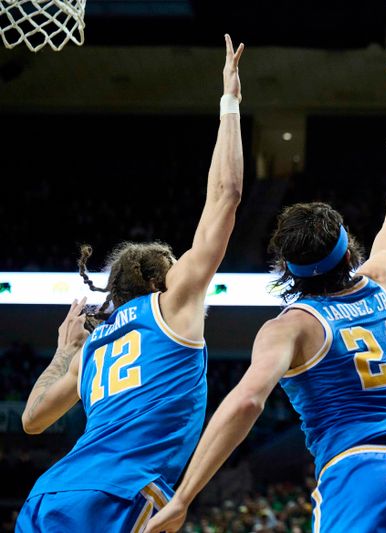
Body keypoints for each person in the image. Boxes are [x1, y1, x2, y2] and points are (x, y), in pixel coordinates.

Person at [145, 125, 386, 533]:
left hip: (360, 473)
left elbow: (247, 402)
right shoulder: (383, 281)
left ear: (287, 271)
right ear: (347, 248)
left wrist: (183, 497)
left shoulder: (292, 326)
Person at [15, 35, 246, 533]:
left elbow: (32, 419)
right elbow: (225, 195)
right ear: (165, 280)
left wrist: (62, 353)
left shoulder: (91, 350)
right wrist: (230, 102)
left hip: (48, 496)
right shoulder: (173, 305)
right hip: (118, 495)